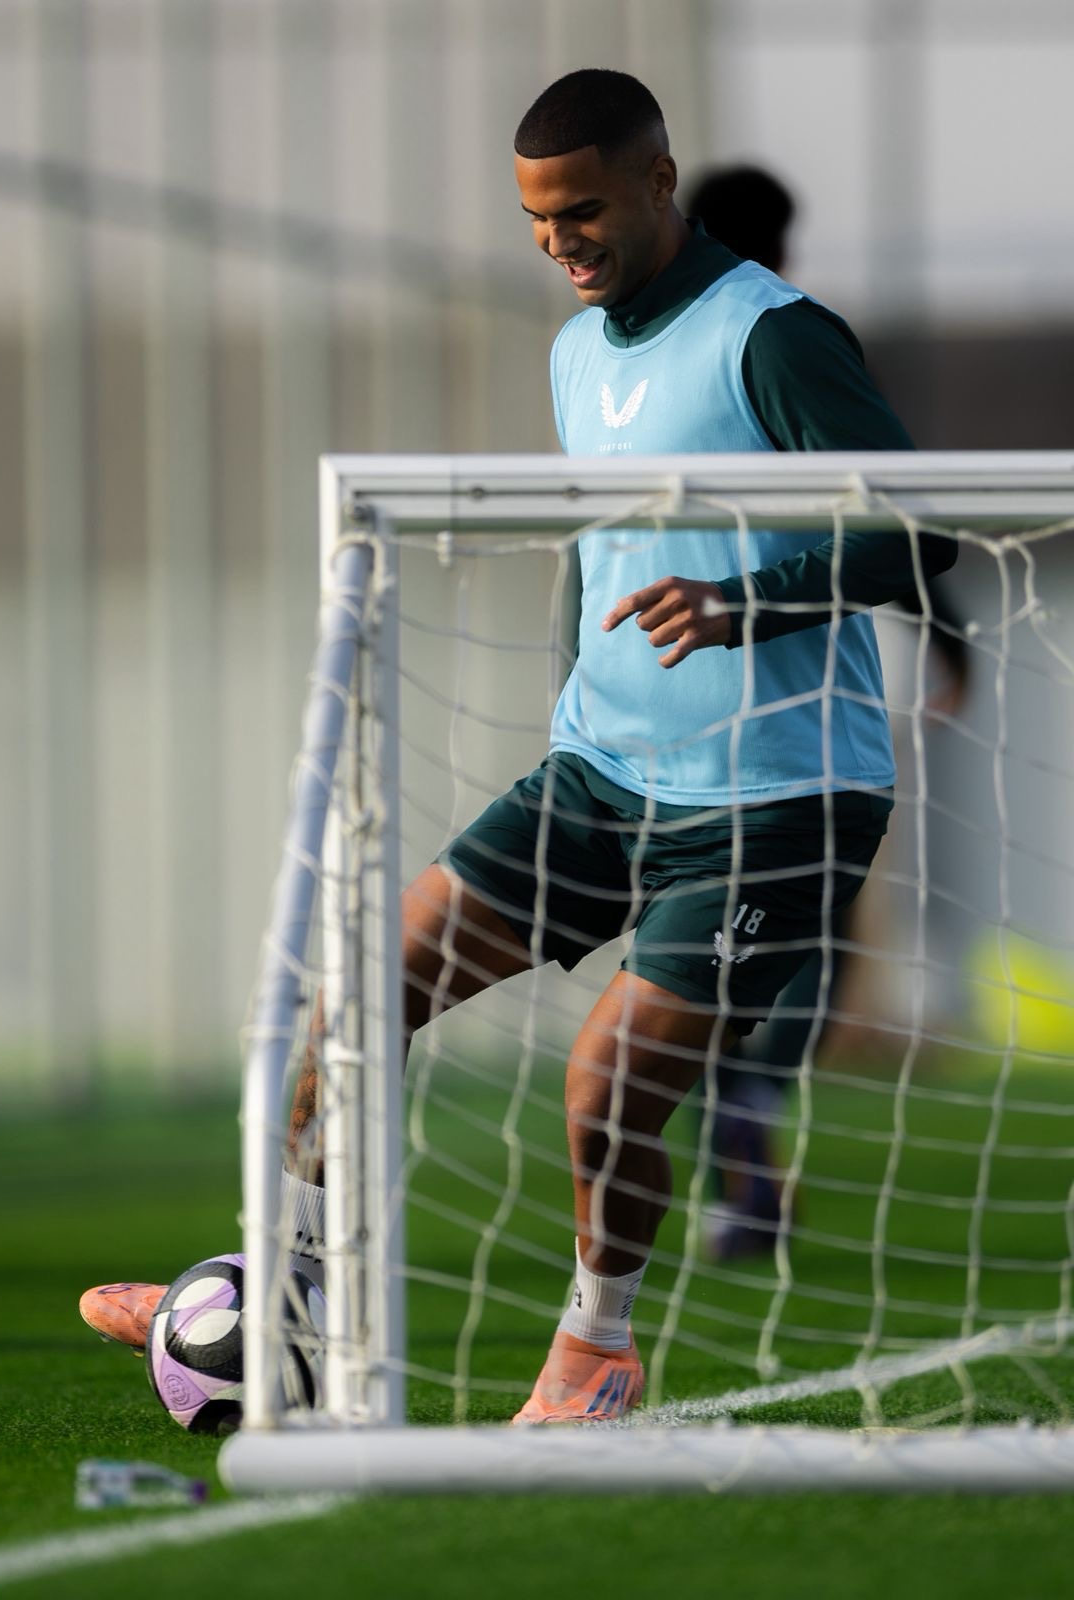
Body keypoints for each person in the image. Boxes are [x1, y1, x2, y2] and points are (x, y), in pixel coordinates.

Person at [80, 69, 955, 1424]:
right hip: (599, 778)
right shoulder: (573, 353)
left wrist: (747, 601)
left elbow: (922, 530)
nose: (559, 243)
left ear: (658, 181)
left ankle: (597, 1349)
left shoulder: (771, 336)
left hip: (776, 799)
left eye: (582, 212)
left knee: (604, 1085)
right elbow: (600, 552)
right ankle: (278, 1289)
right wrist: (577, 700)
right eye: (538, 221)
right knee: (352, 1003)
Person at [681, 163, 972, 1260]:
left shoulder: (658, 351)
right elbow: (890, 516)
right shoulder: (789, 338)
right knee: (808, 933)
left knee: (715, 938)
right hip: (801, 703)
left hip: (683, 692)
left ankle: (736, 1155)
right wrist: (948, 642)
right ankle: (747, 1121)